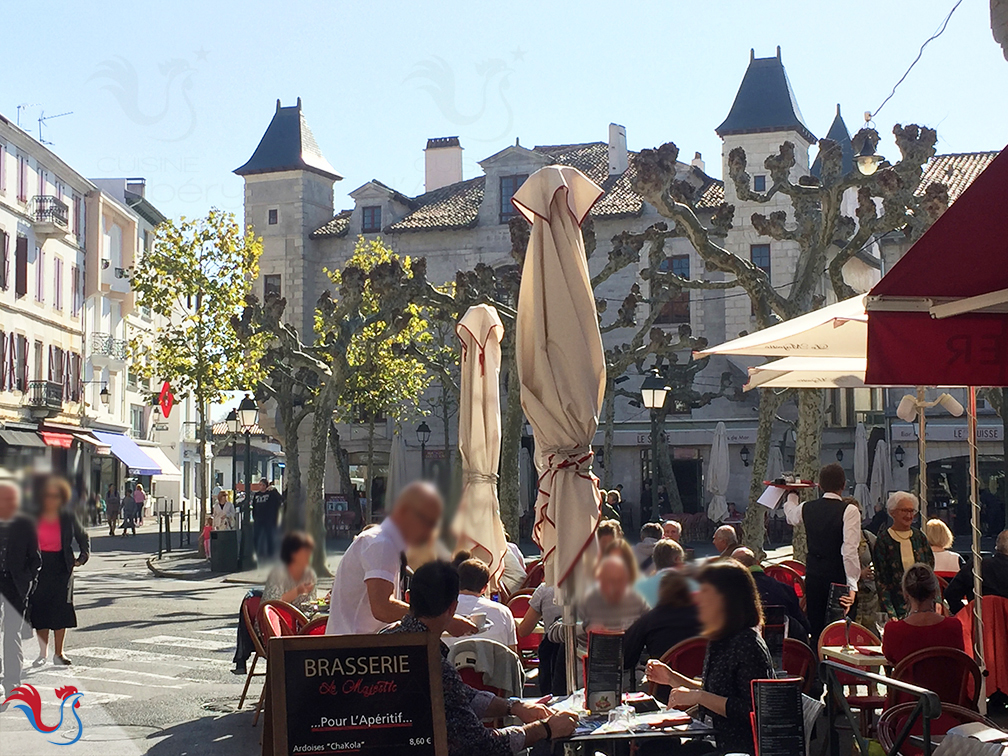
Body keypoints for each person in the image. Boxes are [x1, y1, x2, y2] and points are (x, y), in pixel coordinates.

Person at [383, 560, 577, 756]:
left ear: (408, 599)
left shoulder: (383, 640)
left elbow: (460, 695)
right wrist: (545, 729)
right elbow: (479, 745)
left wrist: (514, 706)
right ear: (453, 608)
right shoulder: (432, 664)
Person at [645, 561, 772, 756]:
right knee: (649, 745)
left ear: (726, 600)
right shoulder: (720, 639)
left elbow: (753, 710)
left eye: (705, 593)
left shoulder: (747, 643)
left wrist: (699, 697)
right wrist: (671, 678)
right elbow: (714, 691)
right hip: (710, 738)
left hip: (736, 748)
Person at [326, 481, 476, 637]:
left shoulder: (385, 543)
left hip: (364, 647)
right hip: (355, 651)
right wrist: (444, 621)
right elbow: (382, 608)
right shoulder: (381, 544)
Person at [783, 463, 860, 642]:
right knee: (839, 630)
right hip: (838, 575)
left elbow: (791, 517)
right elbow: (849, 550)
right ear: (844, 485)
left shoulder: (806, 507)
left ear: (819, 485)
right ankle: (835, 667)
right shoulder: (849, 511)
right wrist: (853, 585)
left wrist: (792, 495)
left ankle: (816, 666)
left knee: (816, 627)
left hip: (814, 574)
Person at [31, 476, 89, 667]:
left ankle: (59, 653)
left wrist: (82, 558)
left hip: (61, 565)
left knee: (61, 608)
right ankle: (42, 654)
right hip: (39, 564)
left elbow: (83, 536)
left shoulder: (68, 515)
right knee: (40, 609)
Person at [548, 555, 647, 653]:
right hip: (587, 664)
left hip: (627, 665)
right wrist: (584, 627)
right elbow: (553, 633)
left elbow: (651, 628)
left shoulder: (637, 602)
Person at [0, 481, 41, 697]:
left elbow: (36, 559)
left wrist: (29, 581)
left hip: (16, 585)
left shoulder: (25, 524)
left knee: (11, 633)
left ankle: (12, 682)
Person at [882, 563, 964, 664]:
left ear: (905, 594)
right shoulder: (954, 626)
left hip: (906, 680)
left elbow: (890, 658)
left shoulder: (893, 630)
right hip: (946, 679)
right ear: (934, 592)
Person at [624, 570, 700, 672]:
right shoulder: (704, 617)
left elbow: (627, 660)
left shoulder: (649, 619)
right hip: (700, 683)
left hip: (662, 685)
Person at [874, 491, 934, 620]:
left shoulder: (920, 537)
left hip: (924, 606)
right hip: (897, 607)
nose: (909, 515)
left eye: (912, 511)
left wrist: (937, 600)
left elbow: (930, 572)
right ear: (892, 512)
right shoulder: (883, 539)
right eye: (904, 511)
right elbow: (881, 580)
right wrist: (890, 612)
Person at [732, 547, 810, 644]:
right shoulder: (785, 589)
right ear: (757, 563)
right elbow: (805, 626)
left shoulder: (732, 594)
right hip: (786, 651)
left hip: (746, 648)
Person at [448, 559, 517, 651]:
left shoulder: (441, 612)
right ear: (484, 588)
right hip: (493, 664)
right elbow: (512, 653)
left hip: (451, 663)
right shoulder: (503, 612)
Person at [517, 581, 563, 695]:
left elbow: (524, 630)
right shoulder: (595, 587)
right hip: (585, 647)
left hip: (552, 650)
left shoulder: (545, 589)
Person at [945, 529, 1008, 612]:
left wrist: (966, 613)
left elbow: (950, 594)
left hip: (978, 620)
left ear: (997, 546)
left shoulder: (977, 566)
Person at [262, 531, 317, 615]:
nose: (309, 555)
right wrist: (297, 591)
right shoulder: (278, 573)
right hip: (273, 623)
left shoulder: (310, 574)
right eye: (305, 552)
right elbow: (272, 606)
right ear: (293, 554)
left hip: (299, 622)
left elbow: (311, 606)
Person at [635, 539, 685, 608]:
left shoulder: (639, 588)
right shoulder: (691, 586)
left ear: (654, 560)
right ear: (677, 559)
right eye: (682, 559)